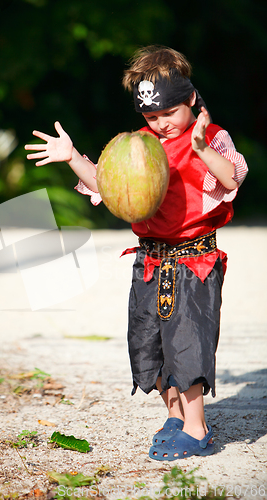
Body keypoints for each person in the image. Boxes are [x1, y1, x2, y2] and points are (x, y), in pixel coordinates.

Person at [25, 46, 248, 461]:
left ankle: (197, 429)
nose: (161, 124)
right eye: (151, 116)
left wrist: (200, 148)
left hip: (193, 260)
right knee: (151, 344)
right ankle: (176, 416)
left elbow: (233, 176)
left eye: (169, 113)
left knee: (188, 342)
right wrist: (73, 157)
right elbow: (109, 187)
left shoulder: (211, 138)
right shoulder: (138, 145)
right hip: (149, 259)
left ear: (191, 100)